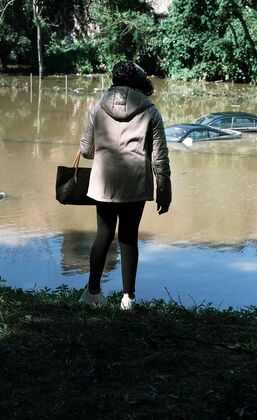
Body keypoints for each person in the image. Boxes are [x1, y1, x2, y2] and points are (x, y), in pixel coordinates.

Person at [78, 60, 171, 310]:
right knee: (128, 237)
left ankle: (93, 292)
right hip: (135, 183)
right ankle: (128, 298)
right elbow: (159, 158)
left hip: (103, 182)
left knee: (103, 235)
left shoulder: (98, 107)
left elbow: (86, 151)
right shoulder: (150, 110)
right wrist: (165, 193)